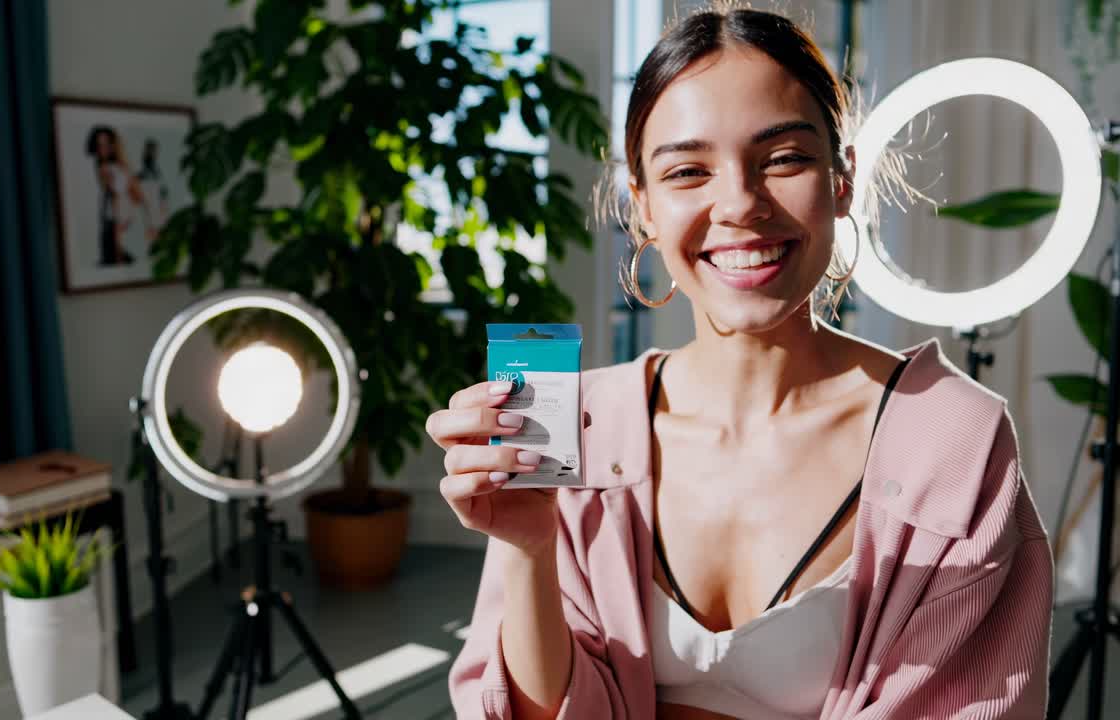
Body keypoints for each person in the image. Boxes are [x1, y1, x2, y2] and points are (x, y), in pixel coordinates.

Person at [426, 5, 1053, 720]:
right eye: (688, 171)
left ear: (840, 177)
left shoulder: (956, 443)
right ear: (644, 210)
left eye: (783, 158)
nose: (740, 204)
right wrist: (529, 549)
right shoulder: (577, 425)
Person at [85, 125, 146, 265]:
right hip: (112, 217)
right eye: (98, 145)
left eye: (106, 144)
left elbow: (135, 195)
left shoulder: (119, 167)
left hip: (120, 217)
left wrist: (125, 215)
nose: (102, 149)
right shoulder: (100, 165)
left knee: (116, 256)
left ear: (113, 144)